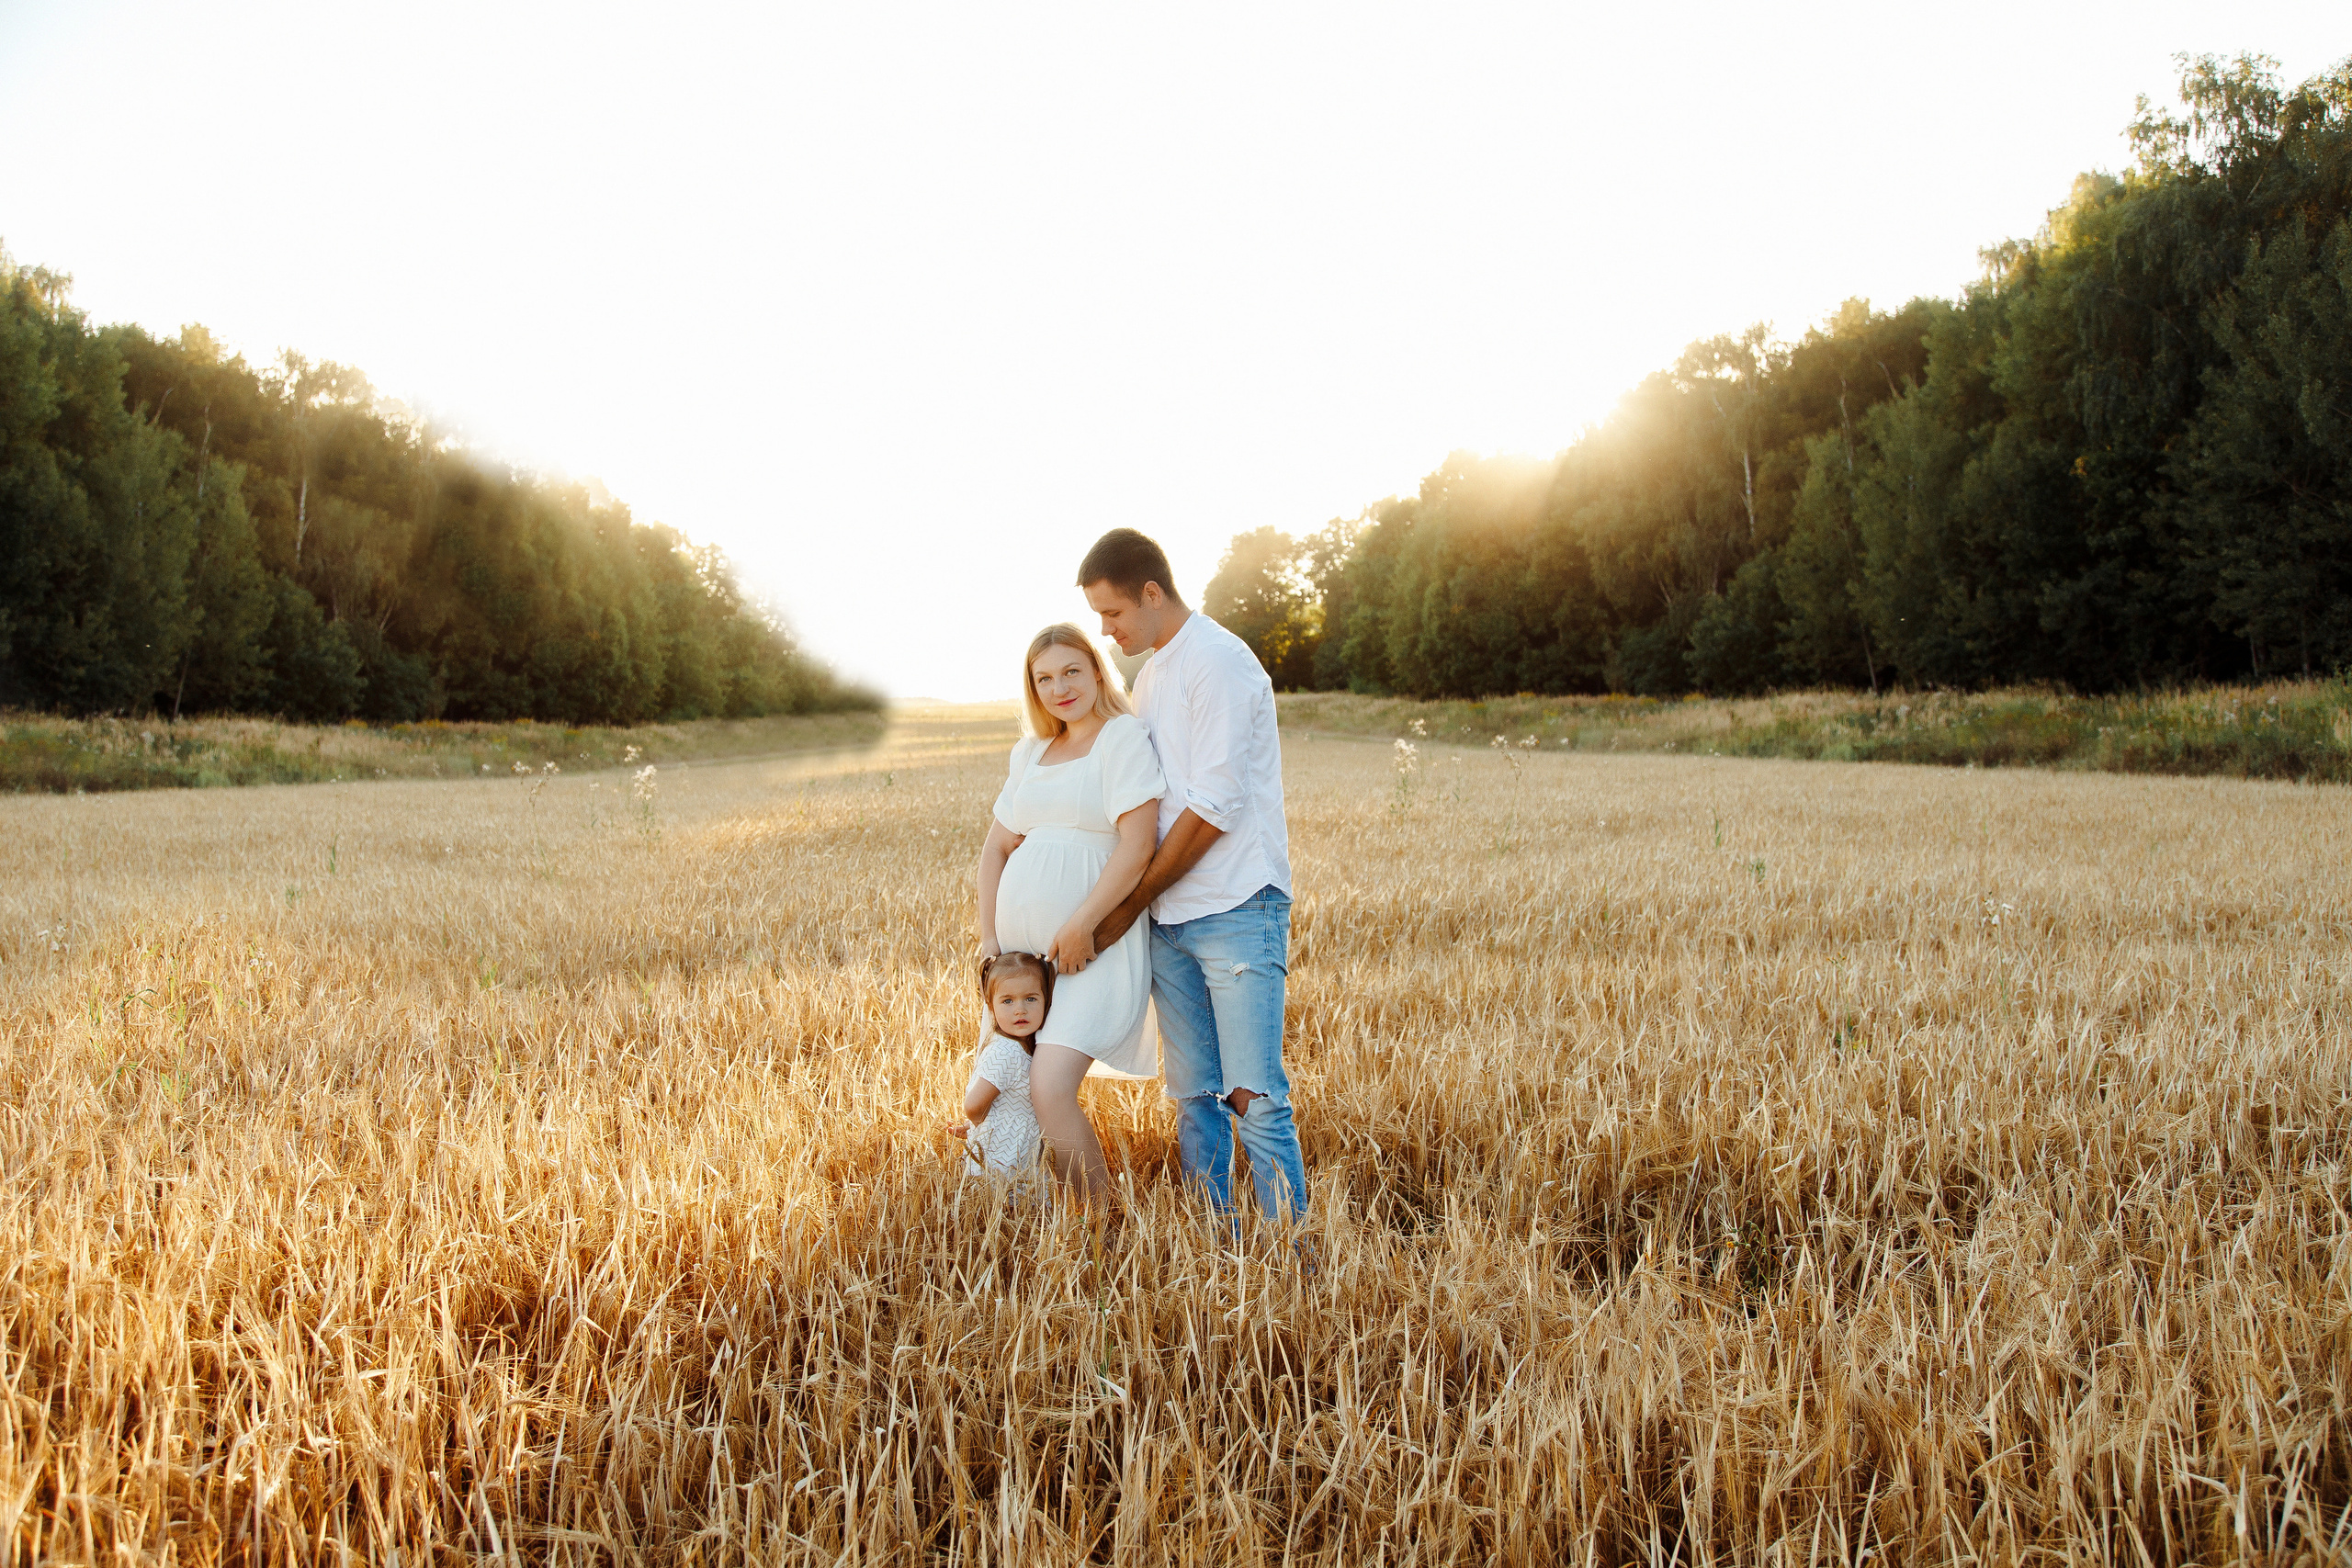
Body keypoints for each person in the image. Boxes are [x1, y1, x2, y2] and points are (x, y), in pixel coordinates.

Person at [1079, 528, 1306, 1221]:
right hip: (1170, 921)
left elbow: (1211, 809)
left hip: (1237, 905)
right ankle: (1215, 1243)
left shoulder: (1219, 662)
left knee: (1254, 1096)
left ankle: (1291, 1261)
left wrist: (1128, 904)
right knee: (1193, 1095)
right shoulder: (1150, 676)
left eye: (1112, 613)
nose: (1106, 630)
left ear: (1152, 594)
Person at [975, 623, 1166, 1211]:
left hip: (1091, 947)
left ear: (1096, 671)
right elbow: (995, 848)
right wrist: (990, 939)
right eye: (1044, 678)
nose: (1060, 687)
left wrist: (1083, 921)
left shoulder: (1121, 738)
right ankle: (1024, 1206)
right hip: (1022, 957)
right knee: (1014, 1086)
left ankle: (1102, 1225)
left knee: (1049, 1086)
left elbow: (1137, 845)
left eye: (1071, 671)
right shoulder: (1030, 752)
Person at [950, 951, 1052, 1184]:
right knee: (1005, 1209)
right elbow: (974, 1105)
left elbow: (1003, 1102)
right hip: (1002, 1158)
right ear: (991, 1005)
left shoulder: (1025, 1046)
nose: (1020, 1010)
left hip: (1019, 1155)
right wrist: (978, 1126)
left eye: (1031, 998)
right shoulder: (1006, 1052)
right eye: (1008, 1001)